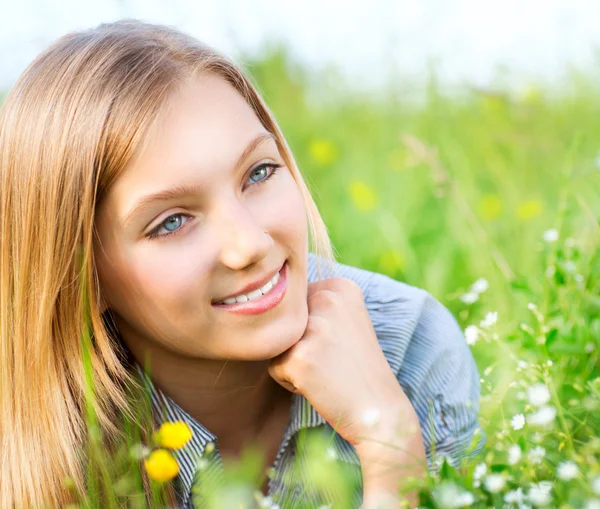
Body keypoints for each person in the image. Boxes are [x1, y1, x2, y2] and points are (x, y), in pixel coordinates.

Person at [0, 19, 486, 509]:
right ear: (81, 277)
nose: (250, 244)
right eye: (171, 222)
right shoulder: (40, 440)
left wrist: (391, 446)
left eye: (259, 172)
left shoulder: (408, 349)